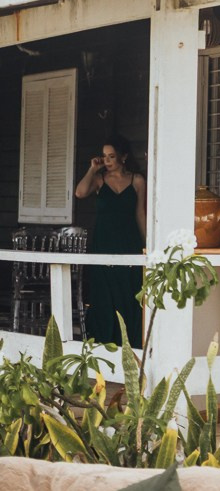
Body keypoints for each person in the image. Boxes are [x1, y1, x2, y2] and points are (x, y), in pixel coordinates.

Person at [74, 134, 147, 347]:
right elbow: (80, 193)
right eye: (104, 156)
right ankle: (103, 345)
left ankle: (131, 344)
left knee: (129, 291)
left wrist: (146, 244)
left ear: (123, 157)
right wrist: (92, 169)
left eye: (111, 156)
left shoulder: (137, 180)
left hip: (129, 242)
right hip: (104, 242)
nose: (106, 160)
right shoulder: (99, 179)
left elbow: (140, 214)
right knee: (104, 293)